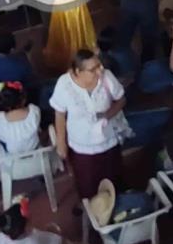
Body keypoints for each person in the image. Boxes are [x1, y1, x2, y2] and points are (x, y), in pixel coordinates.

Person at [51, 50, 126, 200]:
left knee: (113, 180)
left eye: (99, 66)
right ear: (78, 71)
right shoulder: (64, 84)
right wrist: (61, 142)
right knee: (88, 184)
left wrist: (108, 114)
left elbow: (121, 99)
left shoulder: (107, 77)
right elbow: (60, 113)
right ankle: (92, 213)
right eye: (93, 69)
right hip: (81, 146)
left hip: (108, 141)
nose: (100, 71)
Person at [0, 81, 41, 154]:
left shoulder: (0, 120)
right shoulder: (34, 112)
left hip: (11, 161)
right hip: (37, 155)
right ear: (23, 99)